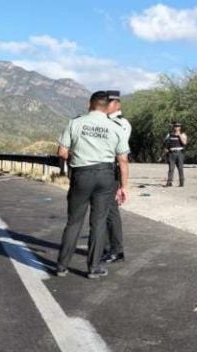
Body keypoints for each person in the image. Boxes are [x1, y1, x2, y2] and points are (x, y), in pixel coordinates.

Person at [56, 91, 130, 279]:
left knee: (74, 221)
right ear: (107, 107)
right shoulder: (115, 127)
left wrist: (78, 157)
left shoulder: (76, 123)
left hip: (82, 174)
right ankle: (93, 267)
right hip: (105, 176)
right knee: (98, 222)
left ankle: (62, 266)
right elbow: (123, 160)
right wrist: (123, 187)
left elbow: (62, 152)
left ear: (90, 104)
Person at [103, 90, 131, 264]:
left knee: (111, 211)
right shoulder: (103, 121)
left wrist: (123, 184)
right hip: (102, 168)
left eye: (110, 102)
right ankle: (105, 246)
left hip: (112, 167)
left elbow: (120, 153)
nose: (106, 106)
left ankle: (116, 249)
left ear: (117, 104)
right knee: (102, 210)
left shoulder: (121, 123)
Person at [163, 122, 187, 187]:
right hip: (171, 153)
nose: (176, 127)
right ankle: (169, 182)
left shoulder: (183, 134)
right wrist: (165, 149)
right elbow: (165, 143)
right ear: (173, 127)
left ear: (180, 127)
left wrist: (179, 136)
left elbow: (184, 143)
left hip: (179, 153)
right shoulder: (169, 135)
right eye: (175, 126)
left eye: (178, 126)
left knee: (180, 168)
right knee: (171, 168)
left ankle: (181, 183)